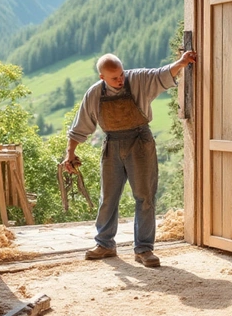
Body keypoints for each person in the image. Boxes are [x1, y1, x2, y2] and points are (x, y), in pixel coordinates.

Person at [62, 50, 197, 267]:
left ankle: (144, 249)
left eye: (121, 75)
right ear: (102, 78)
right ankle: (105, 243)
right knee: (108, 198)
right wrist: (70, 153)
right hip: (112, 144)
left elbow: (161, 74)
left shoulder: (137, 79)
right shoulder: (94, 94)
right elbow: (79, 127)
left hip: (140, 142)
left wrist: (181, 63)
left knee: (144, 197)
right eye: (114, 78)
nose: (120, 80)